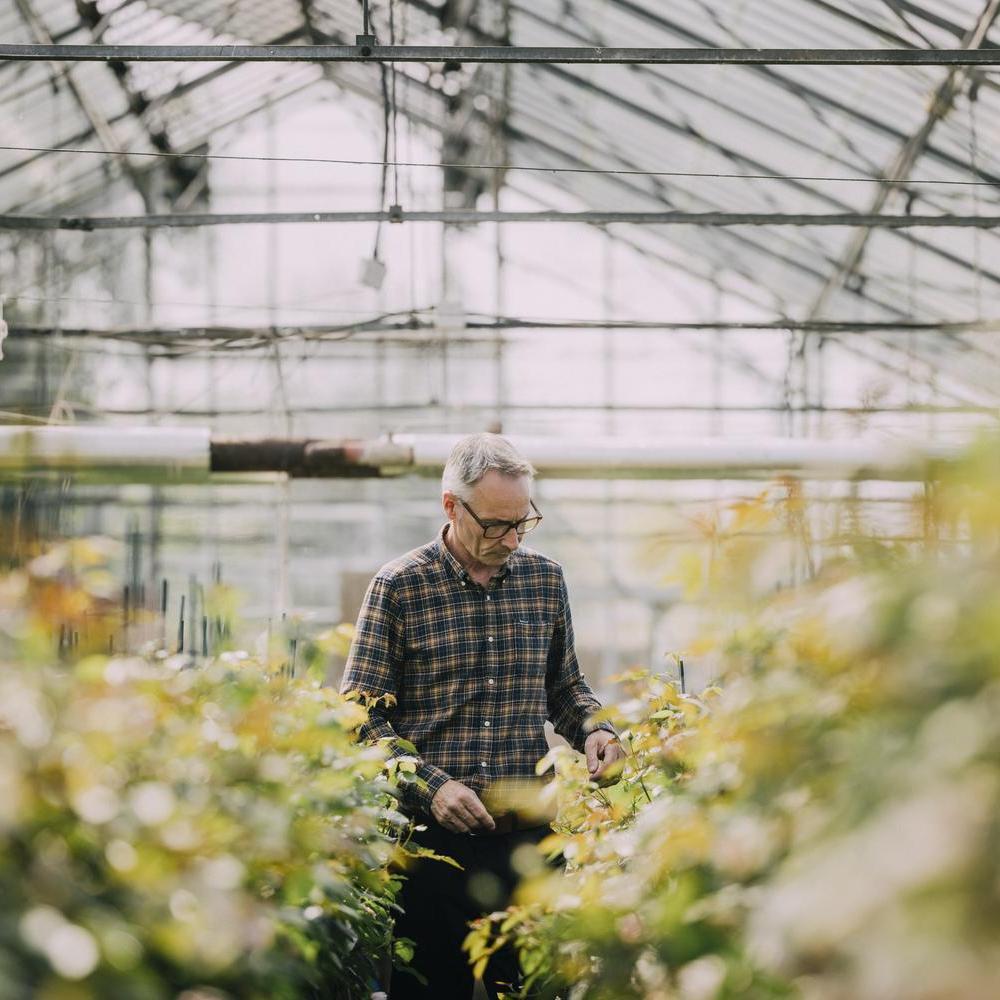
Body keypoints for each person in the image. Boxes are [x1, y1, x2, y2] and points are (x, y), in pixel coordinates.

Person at [341, 433, 624, 1000]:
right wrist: (432, 787)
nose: (512, 538)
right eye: (497, 524)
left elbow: (566, 689)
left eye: (523, 522)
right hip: (432, 847)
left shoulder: (544, 580)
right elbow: (358, 716)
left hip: (526, 843)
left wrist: (598, 731)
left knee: (524, 989)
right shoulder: (400, 587)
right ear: (451, 506)